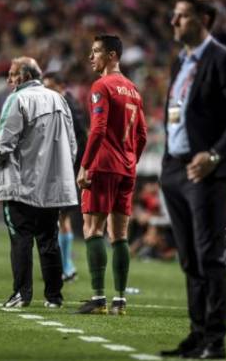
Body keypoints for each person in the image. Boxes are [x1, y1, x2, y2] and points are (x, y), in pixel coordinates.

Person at [159, 0, 226, 359]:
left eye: (181, 16)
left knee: (208, 256)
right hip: (175, 168)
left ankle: (215, 339)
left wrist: (215, 155)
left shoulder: (224, 60)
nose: (174, 22)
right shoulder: (180, 62)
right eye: (174, 15)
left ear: (204, 19)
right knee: (188, 259)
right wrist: (169, 163)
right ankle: (197, 334)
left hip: (204, 170)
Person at [0, 57, 78, 309]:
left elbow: (4, 143)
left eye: (12, 74)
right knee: (49, 239)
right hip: (52, 185)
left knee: (21, 238)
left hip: (21, 184)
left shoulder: (17, 99)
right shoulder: (59, 99)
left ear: (24, 76)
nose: (9, 80)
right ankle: (54, 297)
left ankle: (22, 294)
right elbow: (72, 145)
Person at [75, 35, 147, 315]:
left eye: (96, 52)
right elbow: (141, 134)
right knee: (120, 234)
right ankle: (120, 301)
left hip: (103, 166)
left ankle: (98, 298)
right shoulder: (134, 90)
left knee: (92, 229)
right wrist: (130, 161)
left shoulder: (102, 86)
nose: (91, 57)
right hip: (127, 168)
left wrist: (85, 165)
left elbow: (99, 129)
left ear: (112, 55)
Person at [42, 71, 89, 283]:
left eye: (50, 86)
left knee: (61, 218)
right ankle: (65, 265)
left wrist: (73, 166)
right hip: (62, 169)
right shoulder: (60, 103)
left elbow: (82, 138)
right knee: (61, 219)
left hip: (67, 171)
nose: (46, 91)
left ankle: (66, 266)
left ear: (61, 86)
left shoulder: (67, 105)